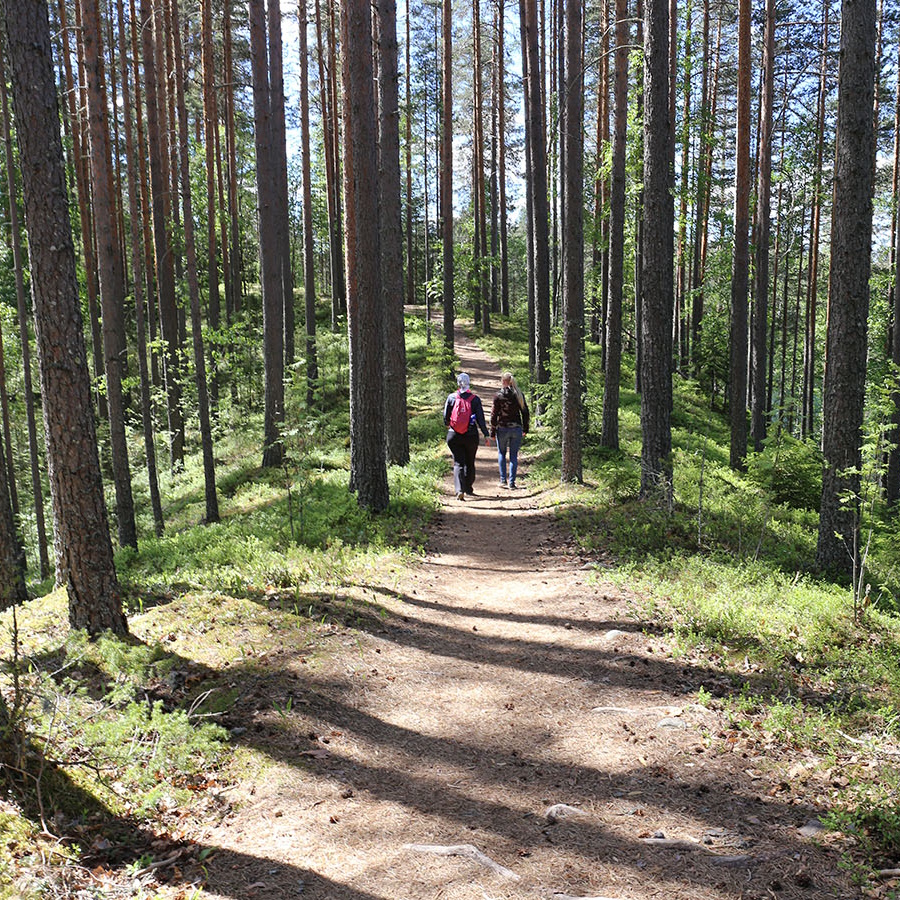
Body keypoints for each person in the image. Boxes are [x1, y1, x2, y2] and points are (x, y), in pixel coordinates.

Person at [443, 372, 490, 500]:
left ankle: (459, 489)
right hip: (471, 435)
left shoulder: (451, 397)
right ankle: (468, 488)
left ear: (458, 383)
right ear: (469, 383)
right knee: (470, 461)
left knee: (458, 462)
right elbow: (480, 419)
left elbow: (446, 417)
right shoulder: (475, 399)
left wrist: (450, 425)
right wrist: (486, 434)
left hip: (454, 435)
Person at [490, 371, 530, 489]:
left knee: (501, 453)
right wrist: (525, 428)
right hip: (516, 428)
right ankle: (512, 483)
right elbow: (525, 413)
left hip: (502, 428)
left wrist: (492, 431)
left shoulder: (498, 396)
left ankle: (503, 480)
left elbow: (494, 415)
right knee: (513, 456)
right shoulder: (518, 395)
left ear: (503, 381)